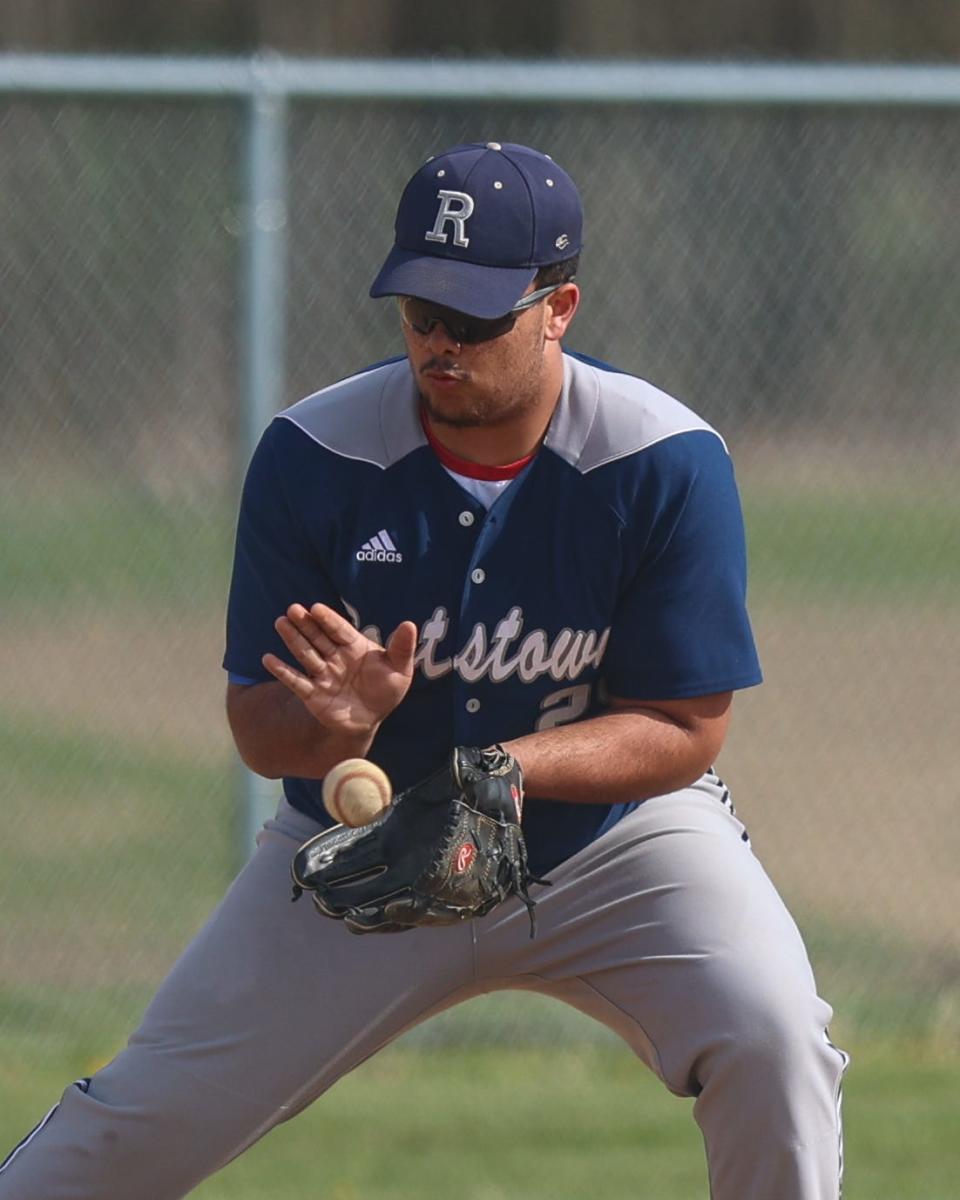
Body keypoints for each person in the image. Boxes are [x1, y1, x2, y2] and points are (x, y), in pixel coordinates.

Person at [0, 141, 848, 1199]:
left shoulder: (658, 458)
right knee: (129, 1131)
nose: (442, 345)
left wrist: (500, 768)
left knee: (775, 1040)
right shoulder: (317, 454)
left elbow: (686, 728)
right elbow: (262, 731)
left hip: (612, 849)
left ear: (559, 306)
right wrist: (339, 727)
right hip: (368, 850)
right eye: (421, 312)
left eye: (478, 318)